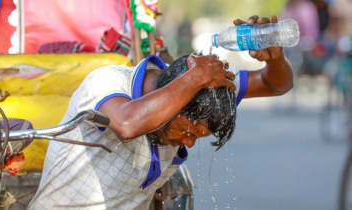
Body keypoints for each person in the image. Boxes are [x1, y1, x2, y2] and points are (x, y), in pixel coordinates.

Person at [28, 15, 293, 210]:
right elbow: (127, 125)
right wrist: (195, 78)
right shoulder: (107, 83)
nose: (189, 143)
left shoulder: (205, 87)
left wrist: (274, 59)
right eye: (189, 131)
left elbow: (276, 84)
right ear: (177, 100)